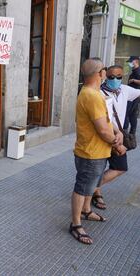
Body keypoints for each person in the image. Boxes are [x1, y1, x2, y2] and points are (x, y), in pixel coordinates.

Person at [69, 59, 125, 245]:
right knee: (82, 187)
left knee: (90, 186)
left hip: (98, 151)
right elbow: (102, 129)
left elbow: (106, 122)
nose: (106, 74)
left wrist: (117, 132)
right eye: (105, 70)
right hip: (90, 153)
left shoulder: (94, 93)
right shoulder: (91, 96)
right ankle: (75, 224)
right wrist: (117, 144)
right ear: (98, 73)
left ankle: (86, 210)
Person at [92, 65, 140, 210]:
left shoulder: (125, 90)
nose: (115, 79)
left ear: (122, 76)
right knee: (99, 167)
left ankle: (92, 188)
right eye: (111, 77)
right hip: (102, 136)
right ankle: (94, 193)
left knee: (120, 167)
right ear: (106, 76)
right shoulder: (98, 93)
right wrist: (116, 143)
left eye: (118, 77)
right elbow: (101, 122)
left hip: (118, 135)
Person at [125, 56, 140, 135]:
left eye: (131, 61)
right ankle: (132, 132)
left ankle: (125, 130)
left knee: (126, 113)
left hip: (134, 96)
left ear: (136, 61)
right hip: (133, 95)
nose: (130, 63)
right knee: (133, 114)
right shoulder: (134, 70)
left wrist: (133, 80)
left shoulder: (138, 71)